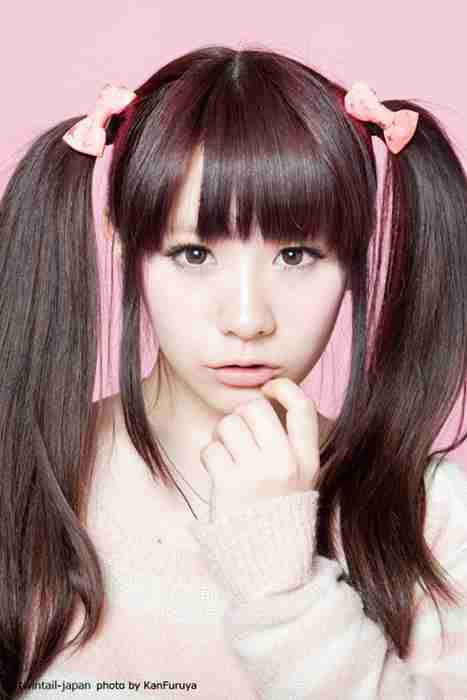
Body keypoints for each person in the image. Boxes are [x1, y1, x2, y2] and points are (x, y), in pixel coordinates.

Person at [2, 45, 467, 700]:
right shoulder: (22, 480)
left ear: (354, 255)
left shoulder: (432, 517)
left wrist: (284, 589)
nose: (248, 319)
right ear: (123, 240)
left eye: (297, 254)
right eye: (193, 253)